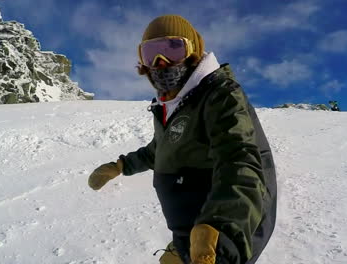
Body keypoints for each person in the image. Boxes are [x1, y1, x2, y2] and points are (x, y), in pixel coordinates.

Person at [88, 15, 277, 264]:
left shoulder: (219, 94)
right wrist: (121, 166)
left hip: (226, 232)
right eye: (151, 53)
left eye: (173, 48)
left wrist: (220, 232)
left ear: (193, 52)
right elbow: (160, 149)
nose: (161, 61)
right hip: (191, 233)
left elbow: (239, 159)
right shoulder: (171, 104)